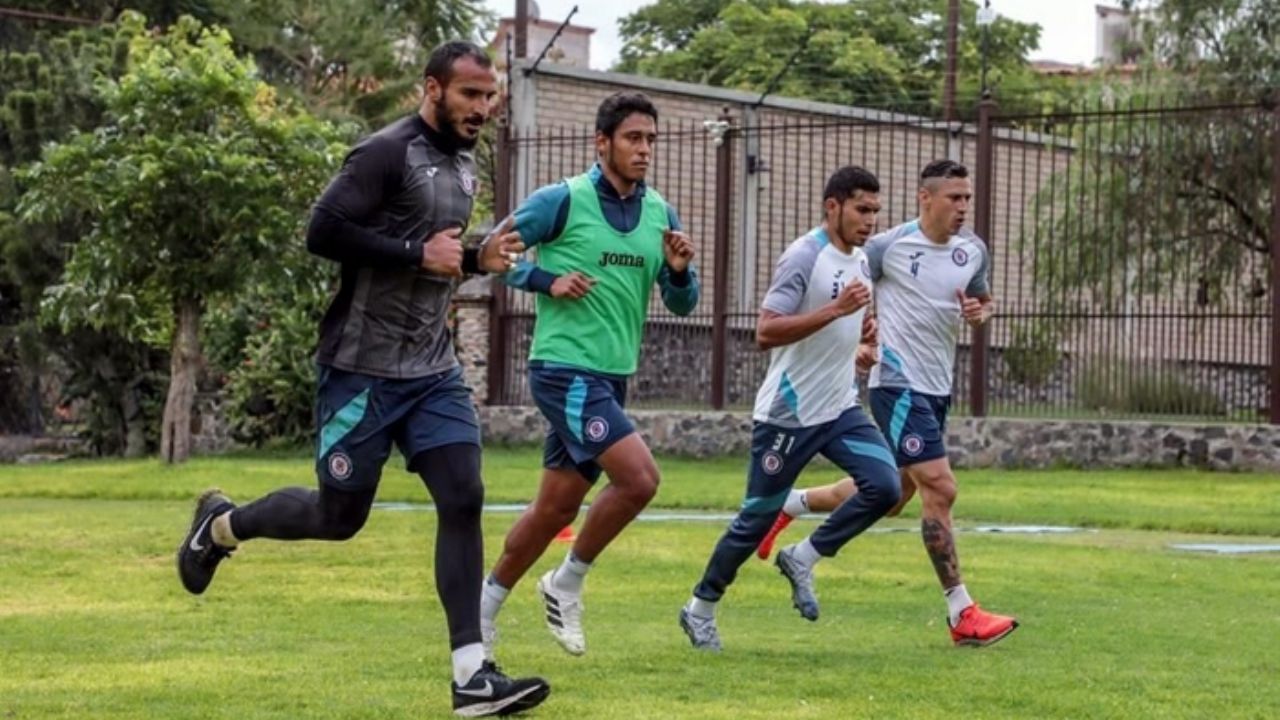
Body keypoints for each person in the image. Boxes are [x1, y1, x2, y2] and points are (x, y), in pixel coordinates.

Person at [174, 41, 549, 717]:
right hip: (361, 372)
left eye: (489, 97)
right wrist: (419, 251)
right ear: (431, 89)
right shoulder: (384, 152)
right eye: (470, 94)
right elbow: (323, 231)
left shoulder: (464, 165)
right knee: (338, 516)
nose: (482, 108)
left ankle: (472, 676)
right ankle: (221, 527)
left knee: (463, 494)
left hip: (432, 370)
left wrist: (473, 256)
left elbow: (436, 257)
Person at [478, 92, 700, 660]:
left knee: (553, 509)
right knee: (641, 480)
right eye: (633, 138)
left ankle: (480, 611)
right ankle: (566, 582)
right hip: (563, 371)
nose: (644, 149)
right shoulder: (562, 200)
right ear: (601, 143)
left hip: (610, 377)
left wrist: (679, 272)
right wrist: (544, 279)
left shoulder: (660, 214)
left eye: (651, 139)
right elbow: (492, 255)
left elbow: (682, 304)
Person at [679, 166, 901, 652]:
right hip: (788, 413)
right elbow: (765, 332)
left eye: (875, 212)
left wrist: (860, 342)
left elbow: (844, 330)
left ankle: (803, 556)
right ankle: (700, 607)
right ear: (832, 206)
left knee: (887, 486)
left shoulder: (862, 261)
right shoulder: (803, 256)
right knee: (754, 521)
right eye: (862, 210)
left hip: (840, 407)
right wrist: (836, 313)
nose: (869, 221)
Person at [862, 159, 1017, 647]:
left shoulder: (972, 251)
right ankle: (961, 612)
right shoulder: (886, 247)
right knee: (941, 489)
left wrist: (980, 312)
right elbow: (844, 289)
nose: (963, 207)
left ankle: (794, 506)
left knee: (892, 494)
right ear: (924, 198)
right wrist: (859, 341)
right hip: (895, 383)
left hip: (937, 387)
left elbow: (984, 302)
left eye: (967, 198)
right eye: (954, 198)